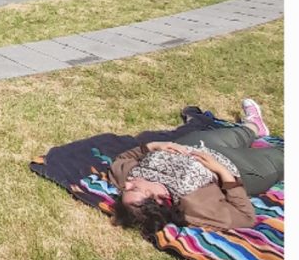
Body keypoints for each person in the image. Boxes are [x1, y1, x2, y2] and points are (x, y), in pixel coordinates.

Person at [110, 99, 283, 235]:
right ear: (157, 198)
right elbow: (245, 217)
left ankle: (254, 126)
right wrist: (223, 173)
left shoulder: (129, 176)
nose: (127, 185)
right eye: (133, 189)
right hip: (236, 167)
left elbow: (121, 159)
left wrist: (153, 145)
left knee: (241, 133)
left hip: (194, 144)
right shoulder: (194, 207)